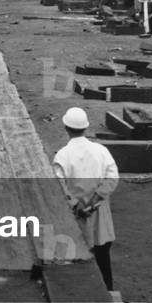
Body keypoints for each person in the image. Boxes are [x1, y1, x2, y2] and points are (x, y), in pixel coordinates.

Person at [53, 107, 119, 290]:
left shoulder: (62, 156)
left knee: (78, 258)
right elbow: (112, 178)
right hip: (99, 214)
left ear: (66, 127)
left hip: (77, 218)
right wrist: (95, 200)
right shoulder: (101, 151)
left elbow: (60, 186)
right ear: (86, 127)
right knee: (103, 256)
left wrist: (76, 206)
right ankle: (108, 293)